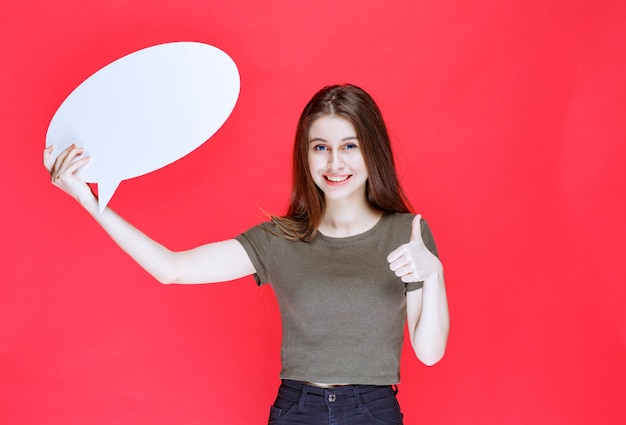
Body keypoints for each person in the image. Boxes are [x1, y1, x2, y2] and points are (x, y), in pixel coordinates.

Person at [44, 84, 449, 424]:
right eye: (321, 147)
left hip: (372, 411)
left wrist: (433, 274)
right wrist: (87, 198)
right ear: (305, 155)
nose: (335, 162)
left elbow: (429, 354)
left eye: (350, 146)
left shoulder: (406, 234)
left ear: (371, 151)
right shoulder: (280, 239)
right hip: (297, 409)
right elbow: (172, 268)